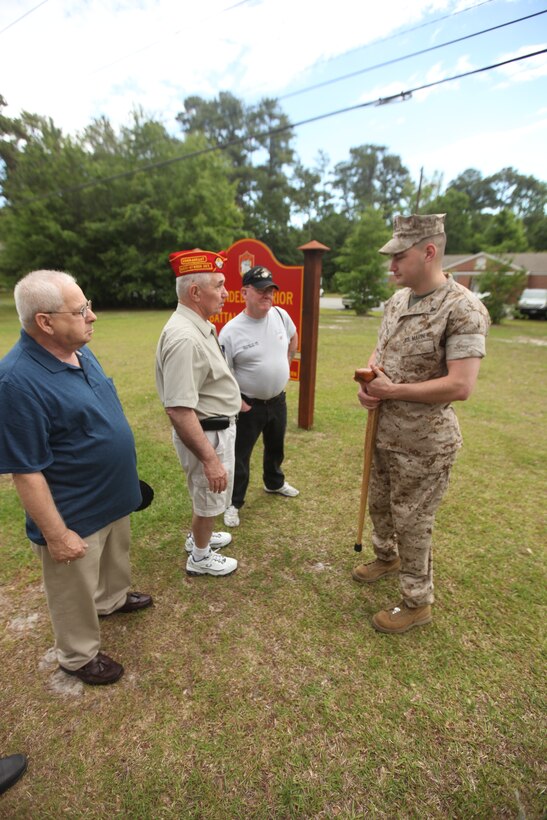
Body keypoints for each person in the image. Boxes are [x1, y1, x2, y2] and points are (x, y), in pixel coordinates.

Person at [0, 271, 152, 686]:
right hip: (74, 512)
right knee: (72, 587)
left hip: (113, 498)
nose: (93, 316)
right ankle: (78, 654)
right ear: (45, 322)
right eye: (81, 309)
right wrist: (57, 534)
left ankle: (111, 599)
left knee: (113, 559)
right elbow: (25, 471)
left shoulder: (79, 350)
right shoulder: (15, 381)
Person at [352, 214, 490, 634]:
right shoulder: (397, 301)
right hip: (384, 431)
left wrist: (393, 393)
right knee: (380, 504)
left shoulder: (463, 308)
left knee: (413, 520)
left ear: (429, 252)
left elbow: (461, 385)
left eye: (400, 256)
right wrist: (371, 385)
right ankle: (386, 556)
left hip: (425, 442)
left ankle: (416, 602)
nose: (391, 266)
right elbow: (380, 357)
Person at [155, 249, 240, 577]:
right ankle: (201, 557)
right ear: (194, 292)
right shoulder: (185, 337)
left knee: (209, 494)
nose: (225, 293)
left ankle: (199, 538)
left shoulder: (196, 325)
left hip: (213, 427)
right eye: (218, 285)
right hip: (207, 432)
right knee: (209, 493)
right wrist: (210, 459)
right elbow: (178, 408)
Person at [219, 265, 299, 528]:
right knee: (240, 456)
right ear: (244, 292)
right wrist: (239, 402)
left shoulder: (280, 315)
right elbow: (224, 372)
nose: (268, 295)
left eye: (271, 290)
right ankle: (234, 502)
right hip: (248, 406)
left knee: (276, 447)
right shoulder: (231, 331)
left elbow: (293, 337)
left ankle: (274, 483)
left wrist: (286, 363)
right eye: (262, 290)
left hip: (278, 401)